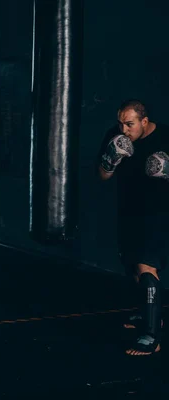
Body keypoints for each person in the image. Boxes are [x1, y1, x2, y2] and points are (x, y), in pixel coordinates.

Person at [98, 99, 169, 356]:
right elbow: (102, 175)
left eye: (129, 124)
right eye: (121, 123)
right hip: (129, 211)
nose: (124, 129)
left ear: (144, 122)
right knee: (133, 268)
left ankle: (152, 337)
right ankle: (149, 315)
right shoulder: (115, 136)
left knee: (146, 267)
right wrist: (110, 159)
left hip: (159, 212)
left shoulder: (166, 137)